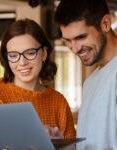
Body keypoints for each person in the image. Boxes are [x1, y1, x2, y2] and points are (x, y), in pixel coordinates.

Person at [0, 18, 76, 150]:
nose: (22, 62)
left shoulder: (59, 102)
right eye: (13, 55)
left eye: (30, 53)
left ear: (44, 54)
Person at [54, 0, 117, 149]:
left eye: (81, 37)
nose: (74, 49)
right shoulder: (90, 82)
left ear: (106, 24)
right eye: (68, 40)